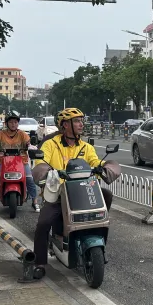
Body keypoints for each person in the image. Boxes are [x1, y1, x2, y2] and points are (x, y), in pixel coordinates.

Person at [31, 108, 114, 276]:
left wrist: (103, 167)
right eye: (76, 121)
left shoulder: (86, 147)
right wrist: (48, 171)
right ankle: (39, 263)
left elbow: (94, 161)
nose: (81, 124)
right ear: (65, 125)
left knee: (106, 195)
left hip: (82, 191)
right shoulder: (51, 144)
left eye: (81, 121)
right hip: (58, 194)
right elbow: (41, 162)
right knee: (43, 224)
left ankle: (95, 235)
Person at [0, 111, 39, 211]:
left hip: (21, 162)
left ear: (18, 123)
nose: (13, 124)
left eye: (15, 122)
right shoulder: (0, 134)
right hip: (2, 162)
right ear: (6, 123)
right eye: (11, 122)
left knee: (29, 179)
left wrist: (30, 146)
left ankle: (35, 201)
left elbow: (28, 143)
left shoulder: (22, 134)